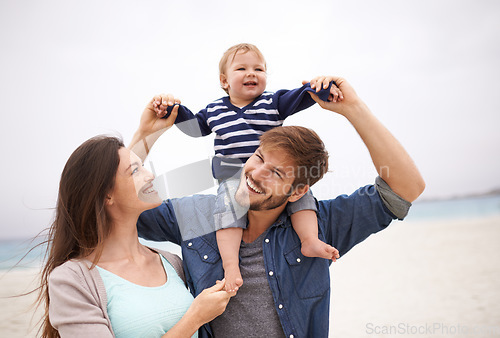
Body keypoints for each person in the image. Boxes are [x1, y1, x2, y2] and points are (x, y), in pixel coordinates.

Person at [131, 75, 425, 338]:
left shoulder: (321, 226)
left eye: (276, 173)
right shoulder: (196, 215)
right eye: (259, 157)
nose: (256, 173)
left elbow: (406, 188)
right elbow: (115, 206)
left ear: (298, 192)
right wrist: (147, 135)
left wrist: (354, 109)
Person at [154, 43, 342, 292]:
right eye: (241, 68)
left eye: (259, 69)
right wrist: (172, 110)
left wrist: (320, 87)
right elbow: (194, 128)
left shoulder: (273, 102)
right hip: (232, 174)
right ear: (225, 81)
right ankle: (231, 266)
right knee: (227, 214)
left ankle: (309, 240)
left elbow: (302, 96)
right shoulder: (215, 110)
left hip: (271, 176)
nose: (251, 73)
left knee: (302, 196)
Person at [38, 105, 234, 338]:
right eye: (136, 171)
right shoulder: (71, 280)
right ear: (105, 195)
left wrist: (147, 133)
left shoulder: (171, 262)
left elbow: (116, 175)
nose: (150, 175)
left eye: (143, 168)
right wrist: (195, 318)